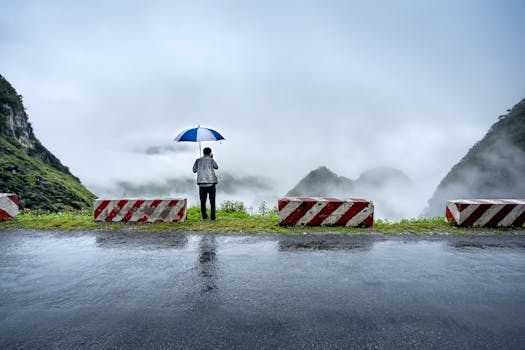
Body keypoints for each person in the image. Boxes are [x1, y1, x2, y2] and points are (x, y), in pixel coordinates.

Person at [193, 147, 219, 220]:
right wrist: (212, 158)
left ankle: (204, 217)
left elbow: (194, 170)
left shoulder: (198, 160)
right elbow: (216, 167)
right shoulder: (211, 160)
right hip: (211, 183)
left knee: (203, 201)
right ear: (210, 153)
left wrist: (200, 167)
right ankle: (213, 217)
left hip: (201, 184)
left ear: (203, 152)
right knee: (212, 200)